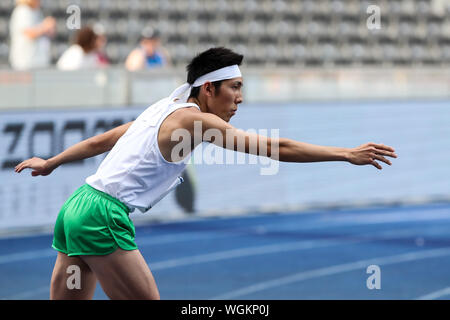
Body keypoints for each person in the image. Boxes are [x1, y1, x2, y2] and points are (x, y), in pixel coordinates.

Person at [15, 47, 397, 300]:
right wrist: (345, 153)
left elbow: (103, 140)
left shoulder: (163, 107)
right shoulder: (194, 121)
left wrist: (51, 162)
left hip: (77, 206)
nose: (241, 98)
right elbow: (276, 148)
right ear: (209, 88)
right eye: (235, 87)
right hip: (102, 215)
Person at [9, 0, 56, 70]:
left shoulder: (37, 12)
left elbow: (43, 32)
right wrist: (45, 26)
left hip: (38, 62)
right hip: (25, 63)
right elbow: (29, 33)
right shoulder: (23, 10)